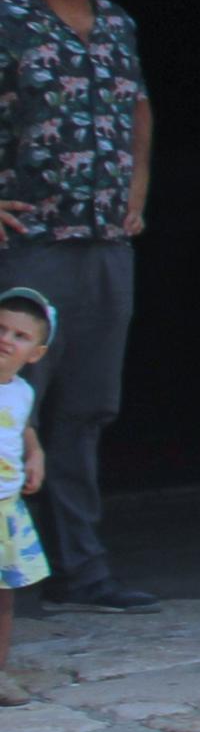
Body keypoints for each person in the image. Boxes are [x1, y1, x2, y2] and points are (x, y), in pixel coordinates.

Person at [0, 0, 152, 611]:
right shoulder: (9, 17)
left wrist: (137, 193)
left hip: (105, 247)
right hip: (32, 244)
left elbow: (138, 111)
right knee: (9, 405)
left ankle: (83, 570)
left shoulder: (118, 22)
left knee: (87, 411)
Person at [0, 288, 48, 701]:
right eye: (0, 329)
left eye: (19, 336)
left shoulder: (22, 391)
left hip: (5, 509)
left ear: (35, 353)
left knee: (3, 599)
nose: (6, 340)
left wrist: (36, 455)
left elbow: (24, 427)